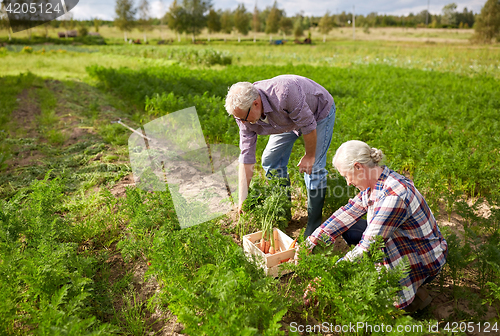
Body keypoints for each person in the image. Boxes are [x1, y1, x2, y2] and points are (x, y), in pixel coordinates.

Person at [303, 140, 448, 312]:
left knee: (372, 297)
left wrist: (329, 277)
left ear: (358, 167)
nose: (348, 183)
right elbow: (349, 211)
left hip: (424, 257)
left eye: (346, 176)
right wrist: (313, 239)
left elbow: (367, 247)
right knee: (350, 229)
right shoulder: (377, 181)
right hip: (403, 240)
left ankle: (413, 296)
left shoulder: (394, 196)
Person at [224, 75, 336, 237]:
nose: (241, 122)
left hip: (317, 114)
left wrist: (309, 156)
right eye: (238, 118)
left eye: (243, 118)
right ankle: (283, 210)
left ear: (256, 103)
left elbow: (308, 125)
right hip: (287, 120)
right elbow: (246, 156)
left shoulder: (285, 93)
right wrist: (243, 198)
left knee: (314, 168)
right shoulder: (243, 115)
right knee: (270, 160)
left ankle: (314, 224)